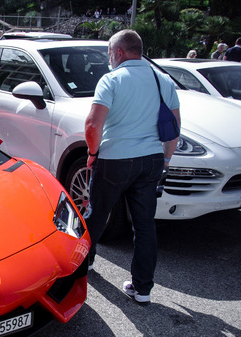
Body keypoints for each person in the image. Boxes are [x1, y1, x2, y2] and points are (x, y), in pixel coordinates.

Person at [84, 29, 180, 304]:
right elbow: (174, 129)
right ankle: (142, 289)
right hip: (150, 160)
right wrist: (165, 160)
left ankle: (85, 264)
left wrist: (92, 153)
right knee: (144, 225)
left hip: (115, 159)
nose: (109, 59)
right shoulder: (162, 80)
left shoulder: (111, 80)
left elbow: (93, 125)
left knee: (97, 213)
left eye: (110, 54)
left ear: (119, 53)